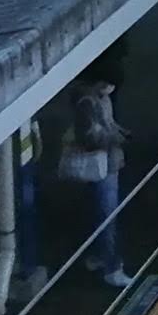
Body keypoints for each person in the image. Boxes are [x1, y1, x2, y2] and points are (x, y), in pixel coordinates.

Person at [60, 74, 131, 288]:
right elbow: (90, 137)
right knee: (107, 217)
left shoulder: (100, 98)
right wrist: (117, 139)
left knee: (99, 212)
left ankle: (99, 256)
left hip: (106, 164)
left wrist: (122, 132)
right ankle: (112, 268)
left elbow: (109, 124)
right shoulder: (87, 102)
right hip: (103, 167)